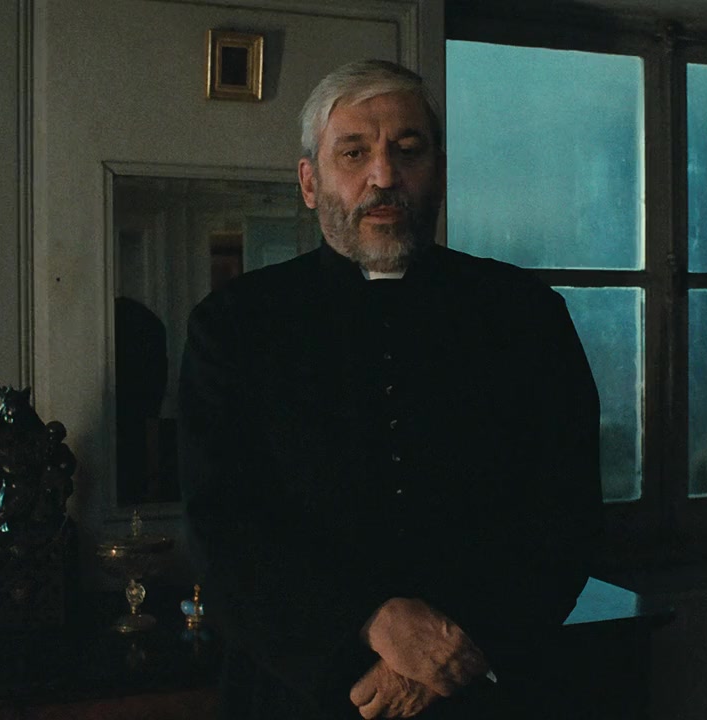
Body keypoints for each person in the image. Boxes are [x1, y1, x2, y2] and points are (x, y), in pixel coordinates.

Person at [179, 59, 602, 719]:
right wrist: (368, 624)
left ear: (439, 171)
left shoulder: (525, 314)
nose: (383, 176)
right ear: (310, 182)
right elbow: (222, 527)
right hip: (297, 692)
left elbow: (564, 513)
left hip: (485, 690)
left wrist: (446, 659)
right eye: (354, 153)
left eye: (408, 150)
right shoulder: (234, 325)